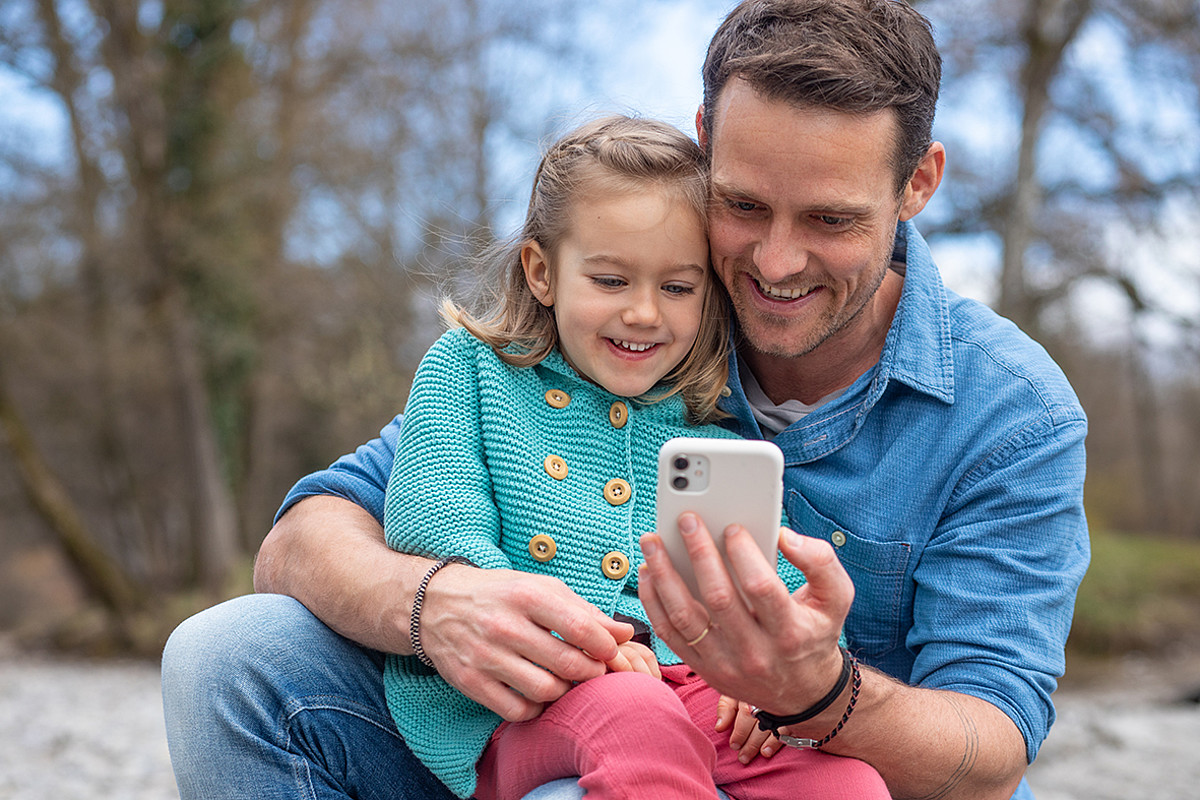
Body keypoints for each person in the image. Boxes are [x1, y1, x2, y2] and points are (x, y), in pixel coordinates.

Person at [161, 2, 1089, 799]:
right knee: (227, 656)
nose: (773, 263)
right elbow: (302, 540)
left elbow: (993, 754)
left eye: (831, 220)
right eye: (746, 205)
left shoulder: (1013, 416)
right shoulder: (633, 314)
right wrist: (437, 601)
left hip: (781, 754)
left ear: (917, 183)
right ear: (704, 144)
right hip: (553, 725)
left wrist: (816, 693)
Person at [376, 114, 882, 800]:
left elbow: (779, 572)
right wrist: (584, 642)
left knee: (841, 781)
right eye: (612, 281)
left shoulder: (713, 433)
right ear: (542, 272)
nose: (645, 313)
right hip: (518, 699)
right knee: (636, 720)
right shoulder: (472, 371)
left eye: (677, 288)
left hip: (691, 689)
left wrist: (780, 682)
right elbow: (438, 524)